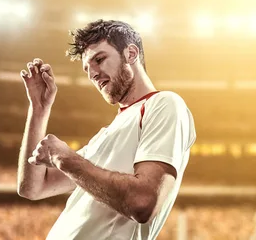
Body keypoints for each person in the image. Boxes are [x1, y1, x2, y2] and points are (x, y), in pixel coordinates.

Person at [17, 19, 196, 240]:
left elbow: (143, 203)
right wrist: (39, 109)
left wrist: (66, 159)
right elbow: (32, 187)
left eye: (99, 59)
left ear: (131, 54)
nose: (92, 74)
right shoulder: (105, 135)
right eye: (87, 69)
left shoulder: (165, 104)